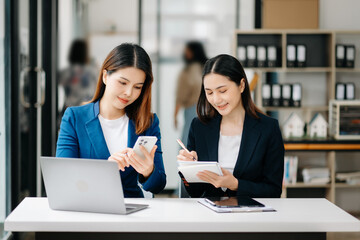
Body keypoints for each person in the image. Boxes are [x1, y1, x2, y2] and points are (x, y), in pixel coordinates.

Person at [56, 43, 166, 197]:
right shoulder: (75, 118)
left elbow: (159, 184)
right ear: (105, 76)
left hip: (131, 212)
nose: (128, 93)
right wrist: (105, 171)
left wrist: (148, 171)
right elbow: (64, 176)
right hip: (88, 209)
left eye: (137, 87)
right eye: (123, 82)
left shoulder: (148, 122)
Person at [177, 54, 284, 198]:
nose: (216, 99)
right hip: (210, 215)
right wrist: (188, 169)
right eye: (209, 92)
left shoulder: (268, 129)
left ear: (241, 85)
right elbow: (194, 192)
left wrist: (235, 184)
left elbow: (273, 191)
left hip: (252, 215)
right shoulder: (200, 127)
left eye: (222, 91)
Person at [174, 41, 207, 147]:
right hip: (207, 108)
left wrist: (175, 115)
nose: (184, 53)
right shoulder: (206, 68)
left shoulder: (187, 72)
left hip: (193, 110)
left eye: (187, 50)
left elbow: (180, 96)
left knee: (187, 141)